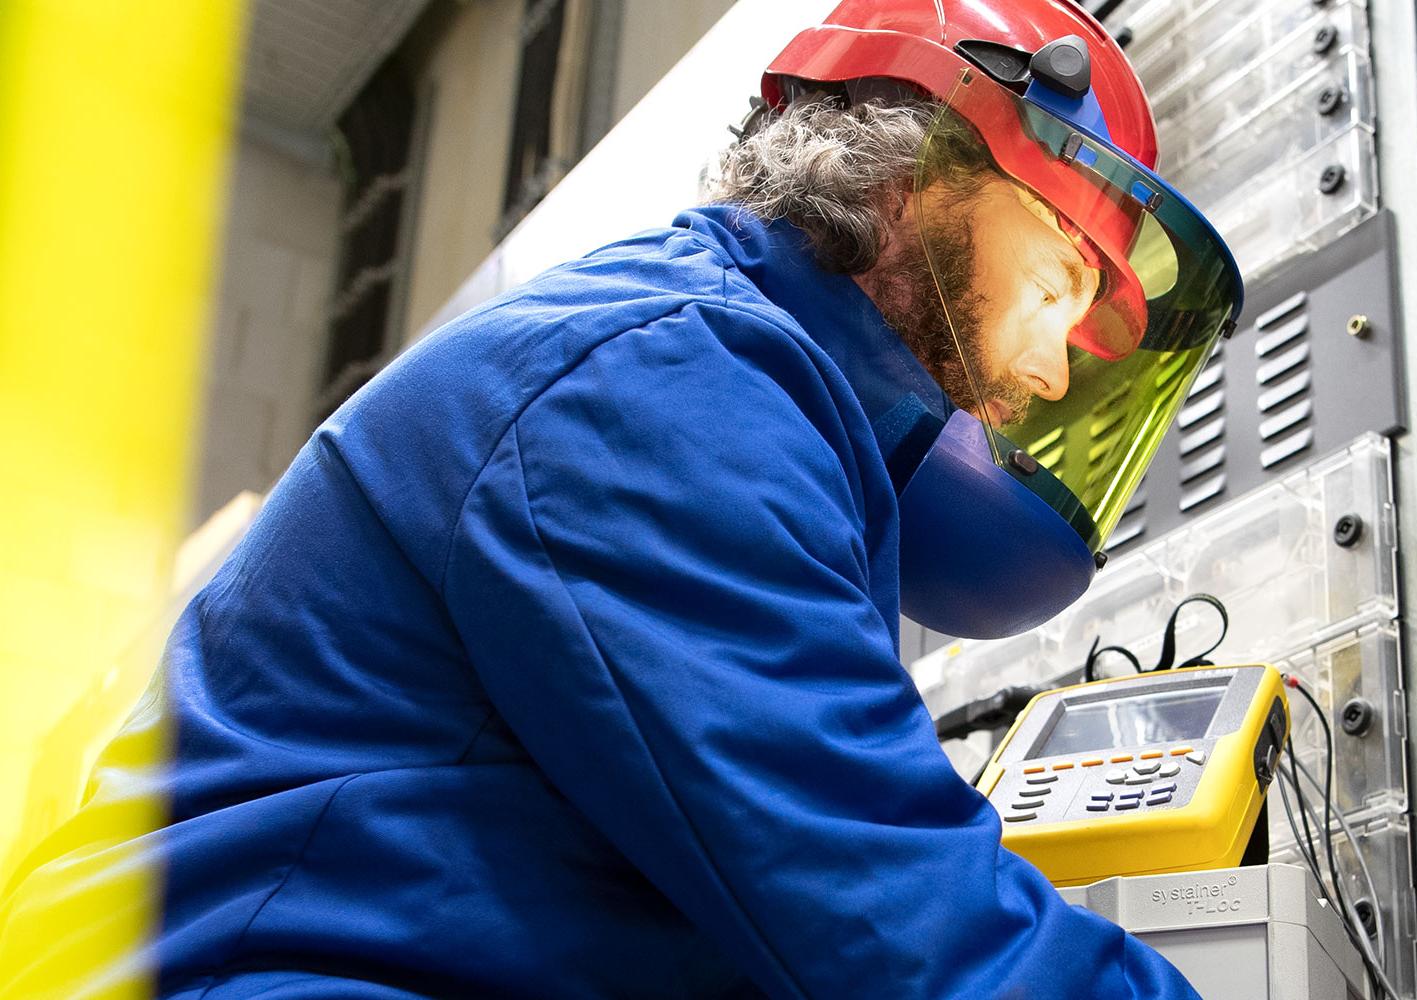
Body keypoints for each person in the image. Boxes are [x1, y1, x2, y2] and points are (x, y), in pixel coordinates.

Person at [0, 1, 1242, 996]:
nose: (1052, 360)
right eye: (1062, 278)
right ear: (926, 174)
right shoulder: (669, 375)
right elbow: (885, 913)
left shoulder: (754, 395)